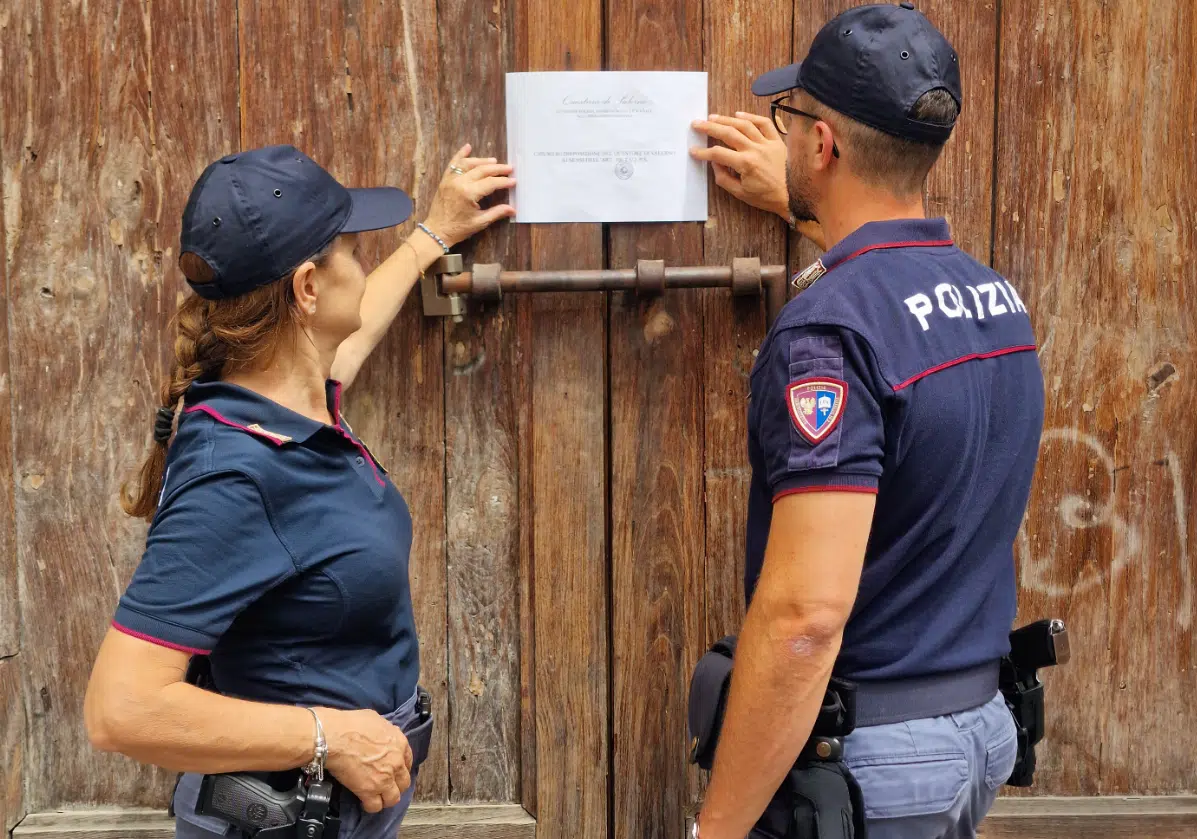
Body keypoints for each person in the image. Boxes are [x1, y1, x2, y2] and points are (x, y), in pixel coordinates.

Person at [83, 142, 515, 839]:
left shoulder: (287, 399)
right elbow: (120, 708)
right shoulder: (239, 470)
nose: (361, 264)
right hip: (291, 818)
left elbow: (351, 335)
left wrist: (431, 235)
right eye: (350, 249)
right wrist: (331, 736)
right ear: (309, 288)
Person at [688, 4, 1044, 838]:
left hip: (876, 759)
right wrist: (807, 212)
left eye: (792, 119)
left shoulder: (831, 332)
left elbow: (806, 617)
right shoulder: (995, 300)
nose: (782, 139)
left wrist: (717, 827)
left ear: (822, 145)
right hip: (976, 726)